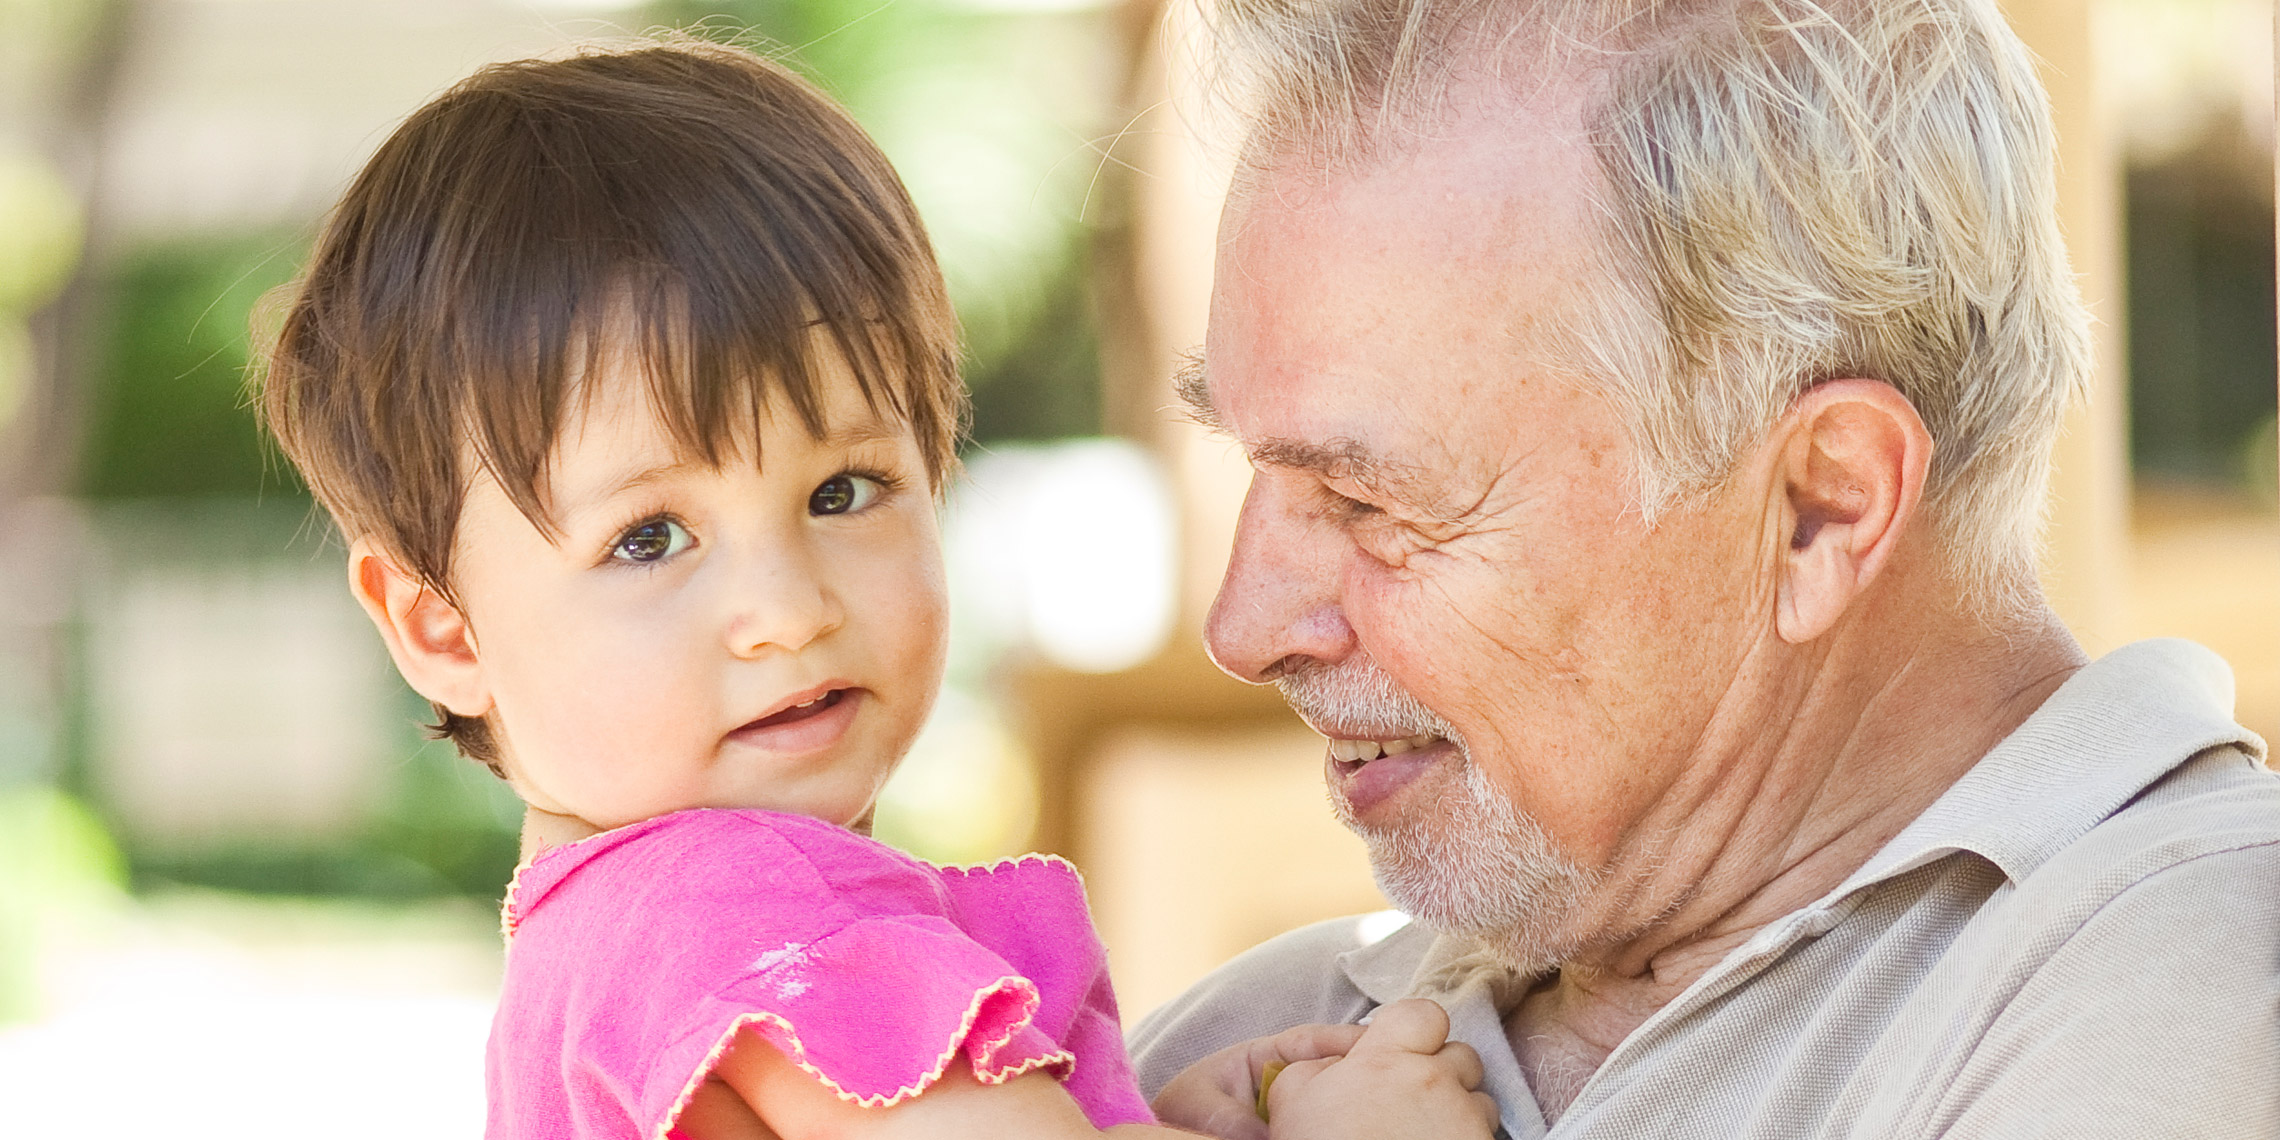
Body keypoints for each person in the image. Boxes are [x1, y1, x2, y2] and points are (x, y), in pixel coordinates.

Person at [258, 38, 1497, 1140]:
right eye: (649, 539)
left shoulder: (607, 945)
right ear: (439, 624)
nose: (791, 610)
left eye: (843, 492)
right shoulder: (742, 908)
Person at [1128, 0, 2280, 1137]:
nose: (1245, 626)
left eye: (1367, 500)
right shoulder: (1225, 1060)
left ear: (1822, 509)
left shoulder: (2204, 973)